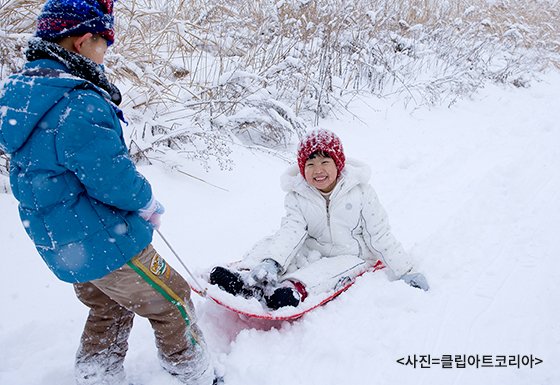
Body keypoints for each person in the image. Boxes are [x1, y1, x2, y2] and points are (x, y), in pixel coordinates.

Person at [0, 1, 214, 384]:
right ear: (83, 42)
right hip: (104, 240)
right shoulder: (77, 102)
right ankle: (196, 374)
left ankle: (96, 377)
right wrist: (145, 200)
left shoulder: (24, 95)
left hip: (61, 243)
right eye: (105, 42)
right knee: (173, 301)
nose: (106, 52)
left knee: (109, 308)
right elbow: (111, 177)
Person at [210, 129, 429, 310]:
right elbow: (292, 230)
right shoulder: (298, 194)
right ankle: (248, 275)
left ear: (338, 164)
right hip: (312, 246)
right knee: (274, 242)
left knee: (326, 272)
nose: (318, 170)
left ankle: (291, 290)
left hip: (350, 254)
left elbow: (380, 235)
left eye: (325, 161)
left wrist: (406, 271)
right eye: (310, 164)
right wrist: (272, 261)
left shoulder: (361, 192)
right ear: (302, 168)